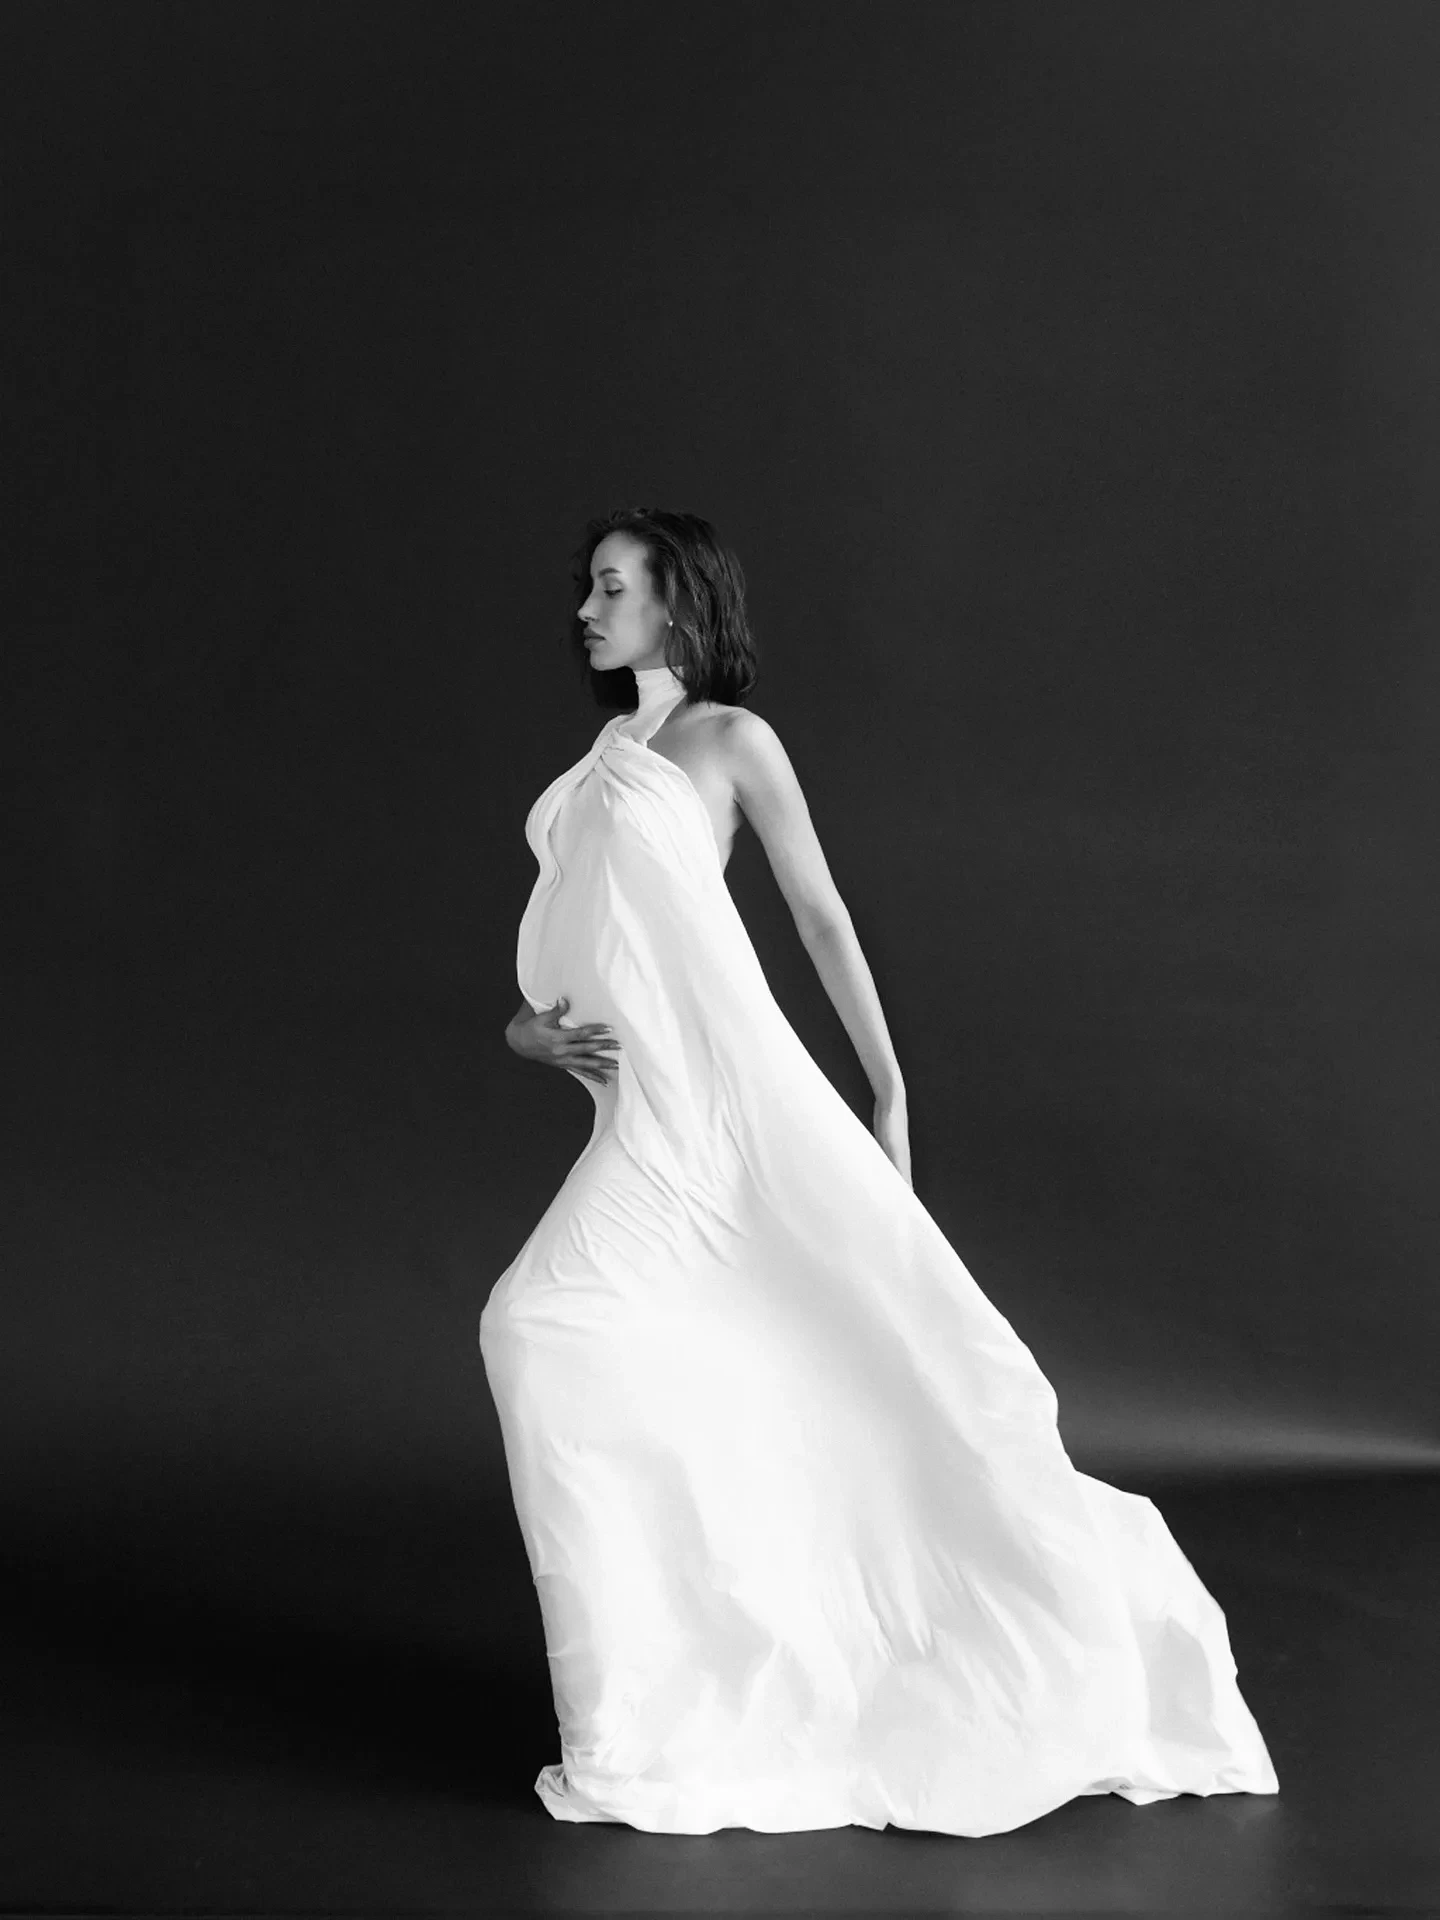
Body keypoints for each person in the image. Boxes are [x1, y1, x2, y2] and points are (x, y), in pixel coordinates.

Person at [479, 506, 1279, 1836]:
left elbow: (820, 914)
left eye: (612, 587)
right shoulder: (606, 756)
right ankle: (655, 1697)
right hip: (640, 1118)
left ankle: (744, 1687)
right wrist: (524, 1030)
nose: (587, 609)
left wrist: (889, 1087)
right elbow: (580, 925)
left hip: (719, 1113)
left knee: (556, 1325)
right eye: (590, 588)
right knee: (576, 1339)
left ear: (677, 600)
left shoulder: (729, 740)